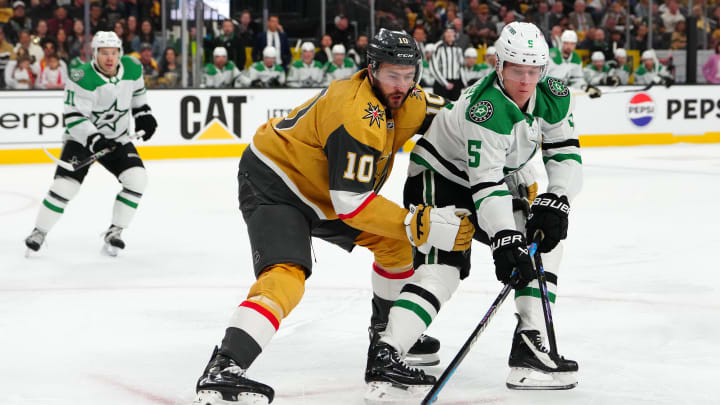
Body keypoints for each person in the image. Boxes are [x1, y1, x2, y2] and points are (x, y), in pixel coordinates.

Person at [192, 28, 474, 405]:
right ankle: (224, 367)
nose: (401, 85)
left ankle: (386, 341)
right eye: (392, 74)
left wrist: (514, 166)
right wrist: (415, 223)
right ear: (371, 70)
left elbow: (463, 120)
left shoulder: (411, 99)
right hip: (277, 182)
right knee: (286, 276)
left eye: (409, 75)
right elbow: (352, 204)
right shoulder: (355, 113)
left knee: (397, 246)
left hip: (327, 191)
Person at [371, 22, 581, 401]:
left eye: (534, 71)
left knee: (545, 245)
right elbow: (484, 184)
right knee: (443, 270)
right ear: (498, 64)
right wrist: (504, 237)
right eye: (518, 70)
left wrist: (559, 197)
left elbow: (565, 151)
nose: (526, 80)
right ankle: (385, 354)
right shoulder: (484, 109)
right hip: (440, 177)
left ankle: (529, 349)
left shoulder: (553, 93)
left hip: (494, 181)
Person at [24, 31, 157, 256]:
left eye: (113, 53)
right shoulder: (81, 76)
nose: (109, 58)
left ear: (120, 53)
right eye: (104, 53)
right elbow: (75, 117)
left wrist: (144, 114)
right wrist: (94, 139)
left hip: (118, 138)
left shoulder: (133, 67)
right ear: (94, 54)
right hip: (82, 140)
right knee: (65, 186)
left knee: (137, 179)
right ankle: (39, 232)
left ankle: (115, 231)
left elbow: (138, 96)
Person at [430, 26, 464, 100]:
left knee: (455, 108)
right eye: (447, 32)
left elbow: (461, 67)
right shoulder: (438, 47)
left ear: (455, 33)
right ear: (444, 34)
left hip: (456, 83)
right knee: (441, 108)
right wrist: (445, 83)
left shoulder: (458, 48)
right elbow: (433, 67)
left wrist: (464, 84)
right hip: (441, 83)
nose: (449, 34)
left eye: (451, 32)